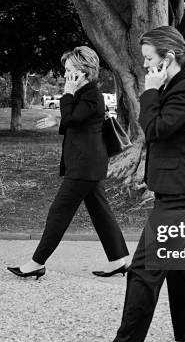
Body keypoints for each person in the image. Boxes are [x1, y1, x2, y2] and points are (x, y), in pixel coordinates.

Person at [80, 26, 185, 342]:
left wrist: (149, 92)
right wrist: (155, 89)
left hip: (184, 195)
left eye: (149, 59)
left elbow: (153, 130)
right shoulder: (174, 85)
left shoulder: (184, 90)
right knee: (181, 265)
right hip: (179, 189)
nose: (144, 66)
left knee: (143, 268)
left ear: (169, 58)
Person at [7, 46, 129, 279]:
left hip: (85, 165)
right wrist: (57, 119)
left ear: (84, 71)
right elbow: (77, 121)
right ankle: (118, 260)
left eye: (70, 70)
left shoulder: (91, 95)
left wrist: (67, 93)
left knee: (59, 212)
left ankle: (36, 263)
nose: (65, 75)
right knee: (101, 213)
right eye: (65, 70)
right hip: (87, 164)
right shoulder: (86, 95)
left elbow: (74, 117)